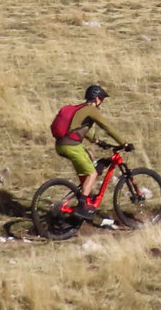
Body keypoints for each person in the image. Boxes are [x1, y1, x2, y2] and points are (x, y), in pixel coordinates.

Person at [51, 84, 130, 220]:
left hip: (62, 145)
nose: (101, 102)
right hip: (71, 146)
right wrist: (124, 143)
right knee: (92, 173)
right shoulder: (91, 110)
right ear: (96, 98)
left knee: (90, 156)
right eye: (101, 99)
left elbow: (78, 128)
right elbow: (107, 127)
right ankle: (82, 206)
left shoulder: (81, 108)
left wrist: (97, 141)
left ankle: (86, 193)